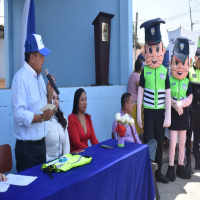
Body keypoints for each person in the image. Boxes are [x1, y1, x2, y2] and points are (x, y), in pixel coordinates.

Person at [12, 34, 55, 172]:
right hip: (27, 149)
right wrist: (42, 118)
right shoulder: (21, 78)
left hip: (41, 145)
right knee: (30, 191)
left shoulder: (40, 79)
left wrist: (49, 94)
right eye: (41, 55)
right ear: (32, 58)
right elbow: (19, 114)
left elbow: (44, 109)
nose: (44, 59)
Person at [137, 18, 171, 183]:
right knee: (148, 141)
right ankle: (148, 172)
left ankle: (158, 172)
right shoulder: (144, 71)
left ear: (162, 49)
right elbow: (140, 92)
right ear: (145, 50)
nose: (154, 53)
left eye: (156, 48)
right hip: (149, 112)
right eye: (150, 49)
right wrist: (138, 114)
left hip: (161, 112)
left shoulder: (165, 70)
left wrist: (168, 116)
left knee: (159, 140)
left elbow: (168, 93)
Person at [165, 38, 192, 182]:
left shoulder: (188, 82)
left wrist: (180, 104)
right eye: (177, 62)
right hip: (173, 115)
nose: (180, 67)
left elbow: (190, 98)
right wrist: (174, 103)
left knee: (182, 142)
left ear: (188, 63)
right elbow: (166, 96)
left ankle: (180, 164)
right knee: (172, 143)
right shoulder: (169, 79)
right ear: (171, 63)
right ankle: (170, 167)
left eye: (183, 63)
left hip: (183, 114)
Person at [112, 93, 157, 161]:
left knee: (153, 142)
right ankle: (147, 162)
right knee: (148, 156)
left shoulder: (130, 118)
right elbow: (117, 141)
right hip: (129, 151)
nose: (133, 105)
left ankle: (146, 160)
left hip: (138, 148)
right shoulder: (118, 121)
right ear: (126, 105)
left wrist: (141, 147)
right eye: (131, 103)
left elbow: (136, 137)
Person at [186, 48, 200, 173]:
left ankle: (198, 163)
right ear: (195, 57)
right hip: (191, 107)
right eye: (199, 58)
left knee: (198, 136)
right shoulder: (189, 71)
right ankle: (188, 162)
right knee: (189, 134)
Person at [45, 91, 70, 161]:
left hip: (61, 162)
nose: (56, 102)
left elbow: (66, 144)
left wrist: (65, 160)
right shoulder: (43, 120)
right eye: (53, 98)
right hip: (48, 163)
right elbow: (42, 149)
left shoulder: (62, 118)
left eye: (57, 98)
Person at [128, 59, 143, 135]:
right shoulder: (137, 76)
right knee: (136, 126)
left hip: (130, 102)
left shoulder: (131, 75)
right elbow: (139, 89)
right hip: (135, 104)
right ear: (140, 68)